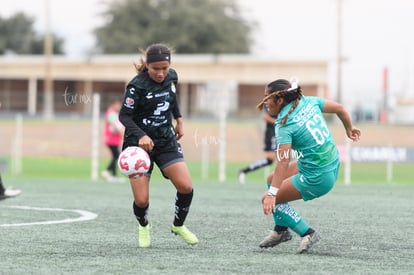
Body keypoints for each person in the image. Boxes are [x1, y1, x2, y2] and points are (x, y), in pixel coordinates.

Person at [257, 78, 361, 253]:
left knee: (268, 197)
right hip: (331, 161)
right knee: (271, 180)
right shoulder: (308, 101)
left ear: (280, 100)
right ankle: (281, 230)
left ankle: (308, 233)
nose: (265, 102)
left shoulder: (284, 124)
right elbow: (340, 108)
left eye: (267, 97)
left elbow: (283, 161)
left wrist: (272, 195)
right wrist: (349, 129)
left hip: (318, 177)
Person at [118, 43, 198, 248]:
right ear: (147, 66)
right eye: (156, 69)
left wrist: (179, 119)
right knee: (142, 200)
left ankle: (178, 226)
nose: (161, 73)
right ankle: (144, 225)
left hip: (165, 140)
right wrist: (142, 135)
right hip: (138, 146)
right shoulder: (137, 86)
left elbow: (172, 98)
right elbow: (124, 116)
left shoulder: (172, 77)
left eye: (165, 68)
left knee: (186, 187)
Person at [238, 109, 277, 184]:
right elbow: (266, 117)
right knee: (270, 159)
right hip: (272, 133)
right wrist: (278, 123)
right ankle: (244, 171)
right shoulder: (271, 100)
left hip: (282, 132)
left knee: (284, 158)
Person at [101, 100, 124, 182]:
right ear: (113, 104)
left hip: (115, 139)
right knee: (116, 156)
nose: (118, 107)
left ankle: (111, 173)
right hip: (111, 139)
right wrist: (121, 132)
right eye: (117, 105)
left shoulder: (114, 113)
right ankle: (108, 172)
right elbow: (114, 124)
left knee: (115, 156)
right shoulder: (110, 113)